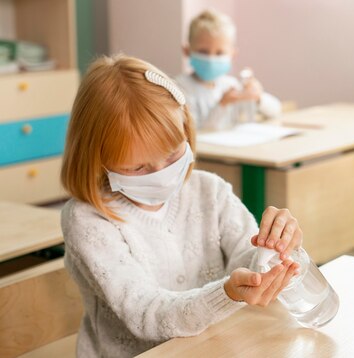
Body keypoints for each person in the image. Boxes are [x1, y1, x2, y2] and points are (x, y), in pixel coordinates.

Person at [61, 54, 301, 357]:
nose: (161, 174)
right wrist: (226, 294)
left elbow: (247, 258)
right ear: (96, 159)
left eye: (173, 155)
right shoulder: (87, 220)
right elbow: (146, 313)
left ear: (186, 129)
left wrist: (272, 249)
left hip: (218, 345)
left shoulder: (208, 189)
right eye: (138, 169)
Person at [176, 9, 281, 131]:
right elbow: (194, 133)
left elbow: (275, 110)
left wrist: (257, 97)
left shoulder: (230, 85)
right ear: (187, 51)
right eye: (203, 52)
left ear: (233, 55)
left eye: (220, 53)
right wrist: (222, 104)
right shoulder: (180, 88)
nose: (211, 59)